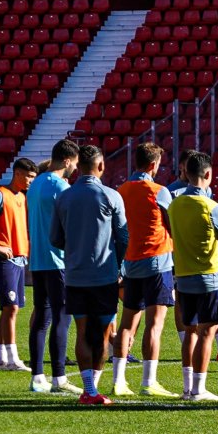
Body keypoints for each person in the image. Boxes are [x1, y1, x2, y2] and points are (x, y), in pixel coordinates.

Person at [50, 145, 129, 405]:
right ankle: (91, 390)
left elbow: (55, 238)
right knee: (103, 334)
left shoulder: (64, 197)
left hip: (74, 275)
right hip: (104, 276)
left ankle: (90, 390)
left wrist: (77, 249)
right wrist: (118, 267)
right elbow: (123, 237)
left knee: (83, 331)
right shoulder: (110, 196)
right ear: (101, 166)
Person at [114, 143, 179, 398]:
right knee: (155, 324)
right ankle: (148, 381)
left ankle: (118, 380)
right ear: (153, 165)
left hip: (131, 262)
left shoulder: (122, 190)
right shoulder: (159, 191)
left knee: (128, 323)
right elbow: (172, 224)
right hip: (157, 261)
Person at [169, 152, 218, 402]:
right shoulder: (212, 207)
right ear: (207, 174)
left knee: (191, 331)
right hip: (209, 275)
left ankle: (187, 387)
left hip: (183, 274)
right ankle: (198, 389)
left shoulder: (174, 204)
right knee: (208, 331)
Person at [27, 140, 83, 394]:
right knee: (62, 316)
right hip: (58, 259)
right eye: (76, 163)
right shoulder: (61, 186)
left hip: (38, 258)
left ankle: (37, 376)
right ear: (68, 160)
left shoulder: (35, 183)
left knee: (41, 317)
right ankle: (59, 377)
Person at [0, 158, 37, 374]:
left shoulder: (21, 198)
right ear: (17, 173)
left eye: (33, 178)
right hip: (4, 259)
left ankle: (1, 358)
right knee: (11, 308)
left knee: (9, 309)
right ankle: (13, 358)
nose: (31, 181)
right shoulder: (0, 194)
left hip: (19, 258)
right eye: (28, 177)